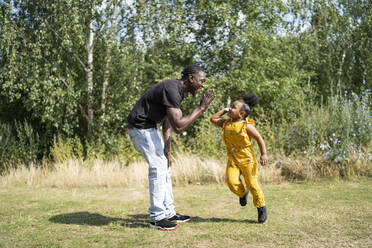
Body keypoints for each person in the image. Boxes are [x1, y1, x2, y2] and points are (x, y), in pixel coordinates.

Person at [127, 65, 215, 231]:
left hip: (150, 128)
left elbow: (168, 120)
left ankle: (168, 212)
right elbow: (179, 126)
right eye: (201, 81)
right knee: (158, 167)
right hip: (140, 128)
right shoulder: (172, 88)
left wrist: (167, 148)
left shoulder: (178, 92)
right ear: (190, 78)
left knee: (164, 166)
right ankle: (157, 217)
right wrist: (202, 108)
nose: (202, 85)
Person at [210, 93, 268, 223]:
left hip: (247, 160)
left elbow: (259, 138)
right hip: (233, 160)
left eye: (233, 107)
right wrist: (224, 110)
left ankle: (261, 207)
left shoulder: (246, 126)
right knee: (230, 181)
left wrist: (263, 154)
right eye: (230, 106)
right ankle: (242, 193)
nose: (230, 108)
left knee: (253, 185)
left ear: (241, 114)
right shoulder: (226, 123)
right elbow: (213, 119)